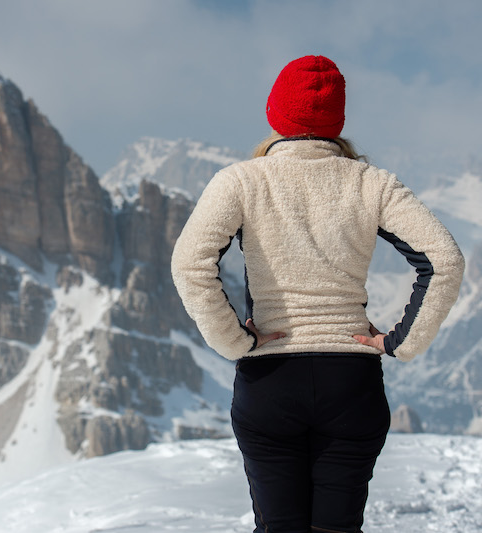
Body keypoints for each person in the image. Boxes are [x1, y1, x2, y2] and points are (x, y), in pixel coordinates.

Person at [170, 55, 465, 532]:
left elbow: (189, 263)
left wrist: (235, 342)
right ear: (337, 120)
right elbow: (445, 261)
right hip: (351, 381)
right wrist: (400, 343)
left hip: (271, 379)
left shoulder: (242, 180)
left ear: (276, 115)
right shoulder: (373, 183)